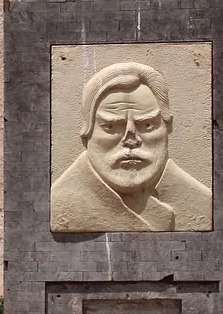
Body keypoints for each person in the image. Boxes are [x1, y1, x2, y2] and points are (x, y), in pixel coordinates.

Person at [50, 61, 211, 232]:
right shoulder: (59, 205)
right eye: (111, 126)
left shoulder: (202, 203)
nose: (131, 140)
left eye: (147, 125)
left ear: (167, 128)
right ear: (87, 132)